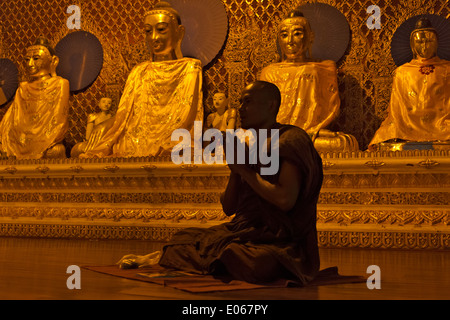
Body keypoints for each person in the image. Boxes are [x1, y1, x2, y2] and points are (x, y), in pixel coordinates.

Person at [119, 81, 323, 285]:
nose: (240, 109)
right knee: (181, 240)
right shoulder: (249, 145)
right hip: (246, 233)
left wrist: (244, 169)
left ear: (271, 105)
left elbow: (285, 199)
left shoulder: (290, 139)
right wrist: (235, 169)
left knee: (254, 262)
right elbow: (229, 207)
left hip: (282, 241)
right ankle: (192, 258)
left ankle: (206, 260)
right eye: (240, 102)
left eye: (248, 102)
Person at [80, 1, 203, 158]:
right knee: (93, 144)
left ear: (179, 33)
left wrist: (162, 137)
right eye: (147, 31)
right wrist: (104, 128)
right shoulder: (139, 70)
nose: (154, 37)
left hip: (170, 137)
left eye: (161, 30)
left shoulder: (190, 67)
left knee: (178, 147)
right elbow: (124, 116)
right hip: (135, 135)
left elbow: (187, 115)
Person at [260, 9, 358, 153]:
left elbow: (329, 111)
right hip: (275, 136)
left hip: (309, 136)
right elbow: (262, 116)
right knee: (247, 142)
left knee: (346, 144)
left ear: (310, 37)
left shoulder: (323, 69)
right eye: (284, 35)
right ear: (278, 39)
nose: (290, 41)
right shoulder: (269, 72)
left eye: (297, 34)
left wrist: (317, 129)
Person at [369, 17, 450, 149]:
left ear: (437, 43)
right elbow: (396, 109)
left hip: (441, 126)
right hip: (408, 126)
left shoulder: (447, 69)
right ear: (412, 45)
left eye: (429, 41)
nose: (424, 46)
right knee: (390, 132)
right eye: (419, 42)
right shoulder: (402, 72)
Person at [0, 37, 69, 159]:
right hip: (20, 139)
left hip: (45, 139)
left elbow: (59, 119)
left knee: (56, 151)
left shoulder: (60, 84)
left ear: (53, 61)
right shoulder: (23, 87)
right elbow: (10, 121)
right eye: (27, 60)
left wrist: (42, 139)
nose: (30, 64)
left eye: (36, 59)